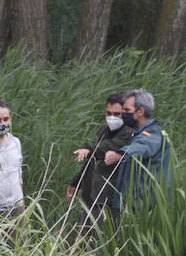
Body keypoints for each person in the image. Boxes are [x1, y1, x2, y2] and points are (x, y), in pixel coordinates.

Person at [65, 93, 133, 233]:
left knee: (103, 239)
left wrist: (89, 149)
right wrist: (77, 182)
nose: (112, 117)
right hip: (92, 195)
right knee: (85, 237)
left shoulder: (129, 133)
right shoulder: (103, 130)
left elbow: (105, 148)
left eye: (117, 114)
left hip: (110, 201)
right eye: (109, 113)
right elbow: (92, 160)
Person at [105, 88, 171, 217]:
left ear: (140, 111)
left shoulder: (152, 133)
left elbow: (142, 146)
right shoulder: (138, 133)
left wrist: (119, 154)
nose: (123, 113)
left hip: (145, 206)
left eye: (127, 110)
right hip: (137, 203)